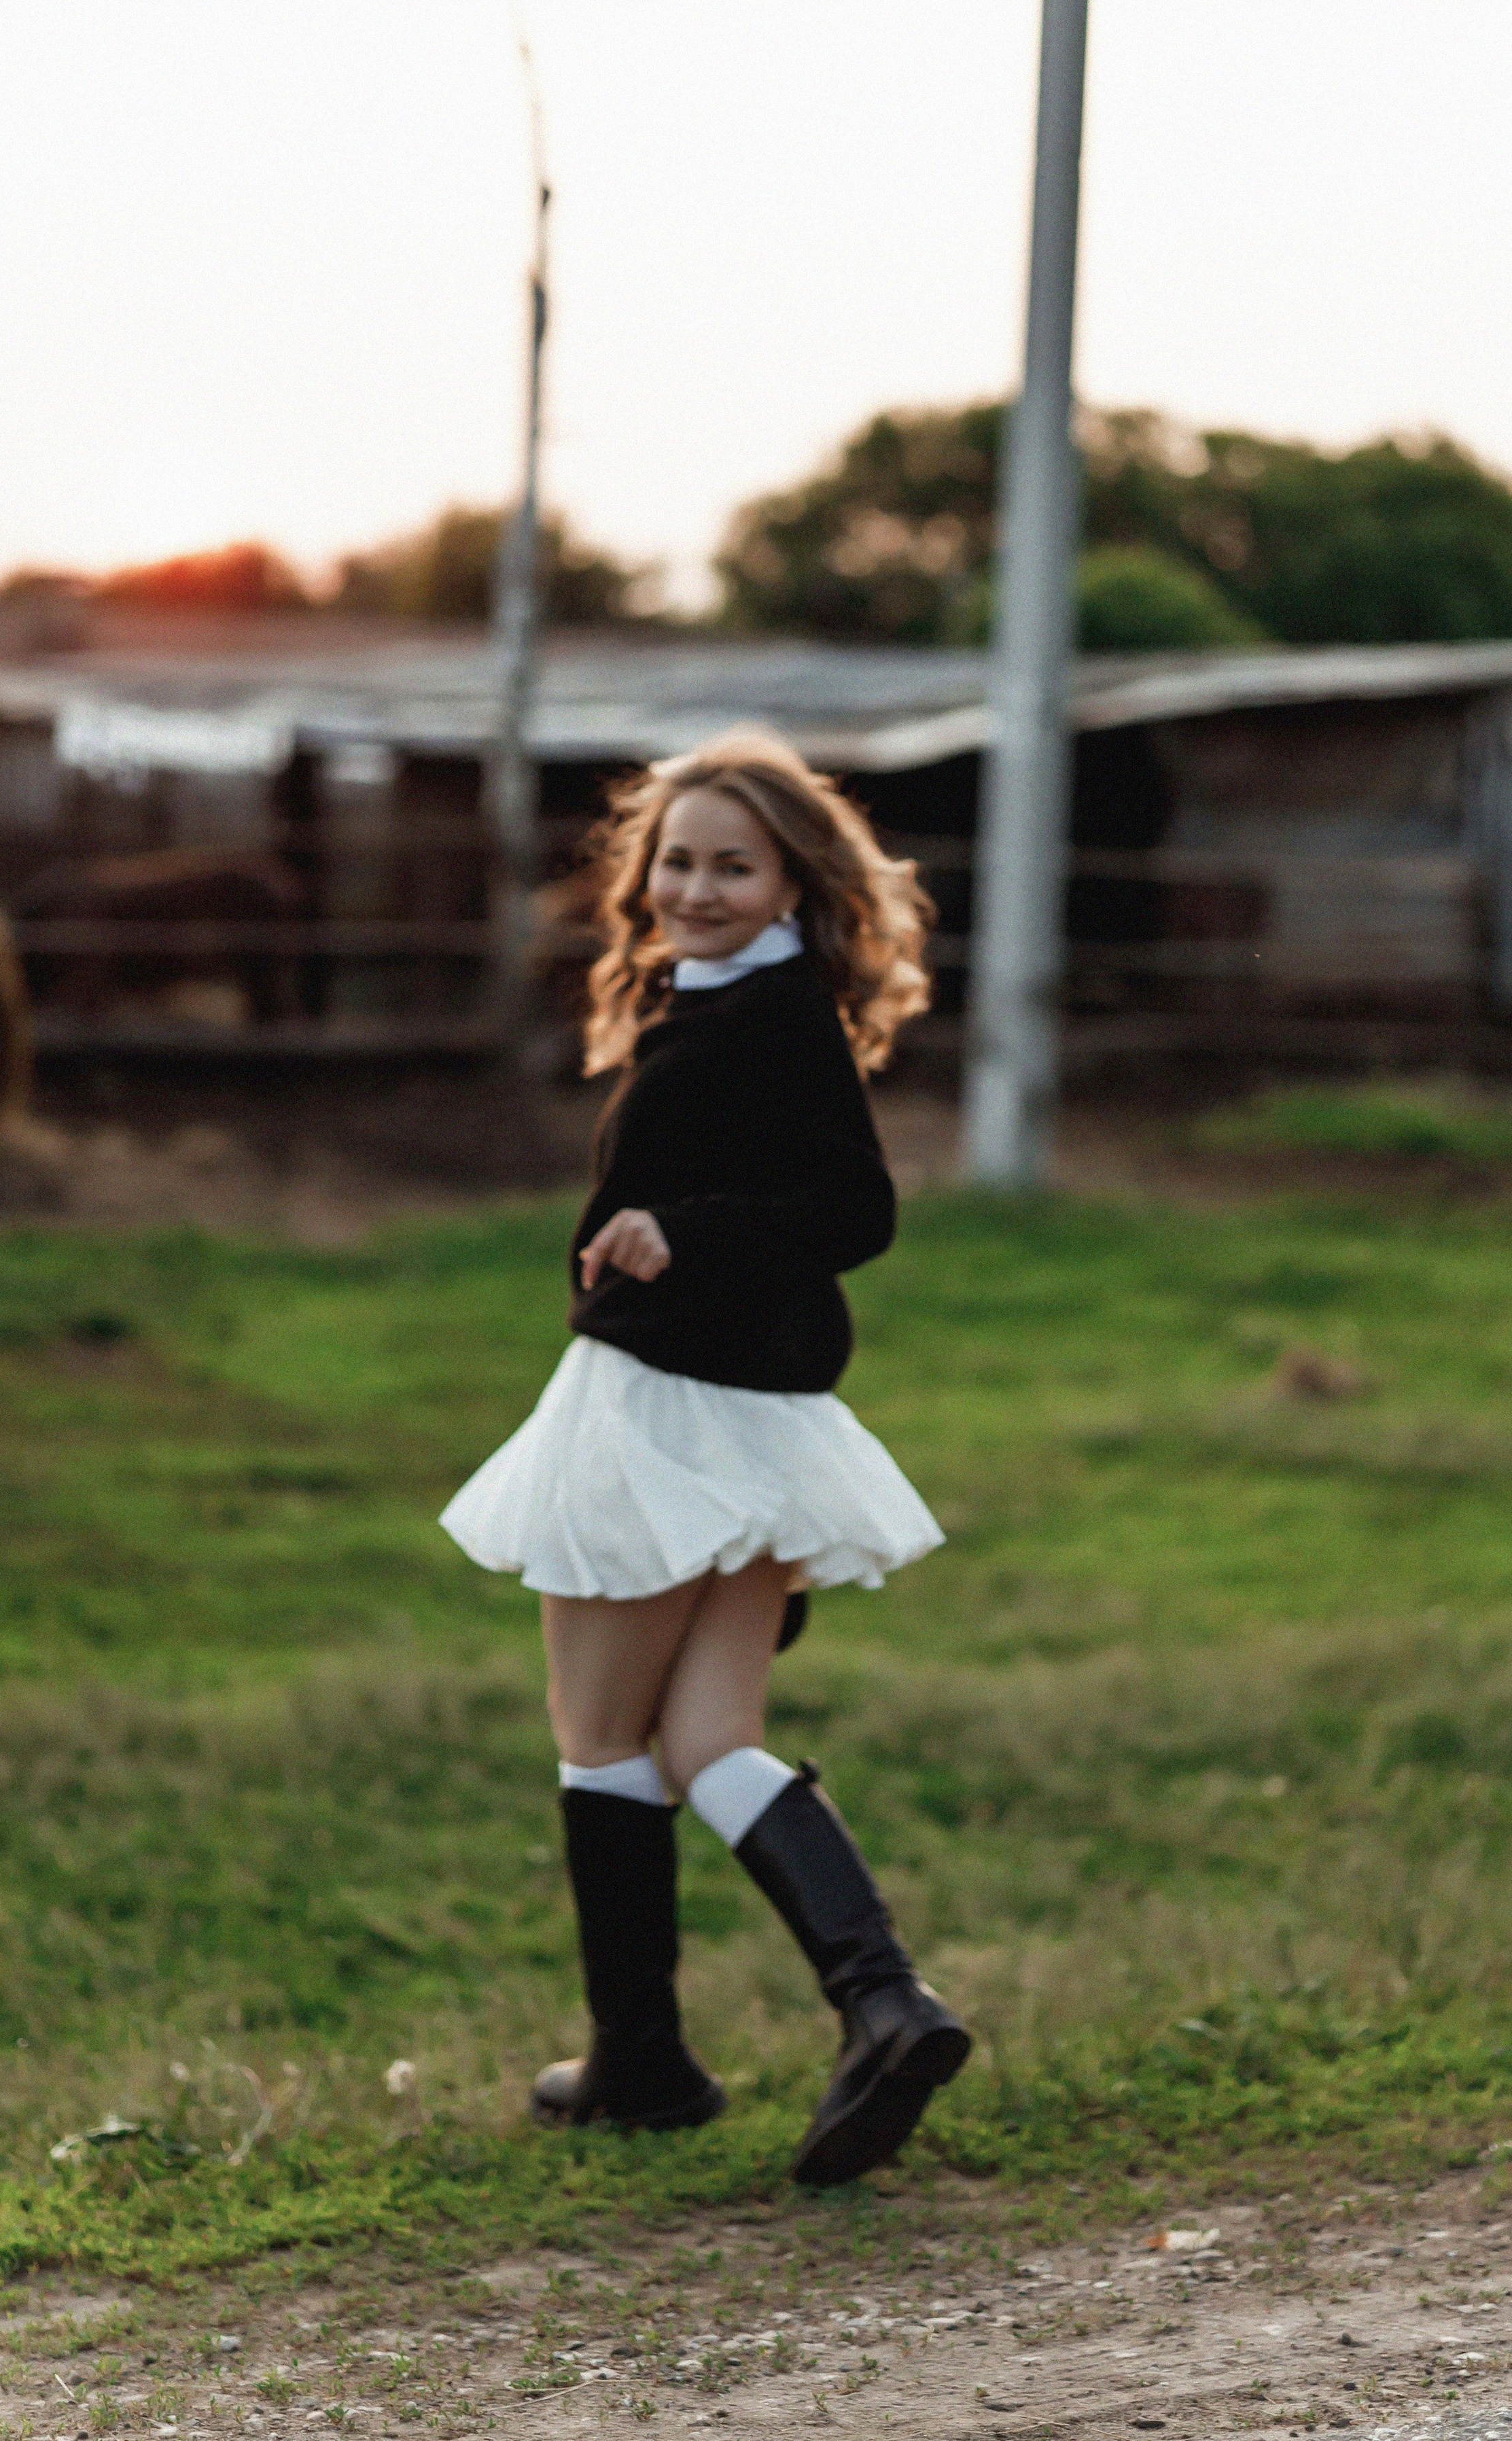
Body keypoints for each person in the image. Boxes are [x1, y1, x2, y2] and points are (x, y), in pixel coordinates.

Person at [439, 726, 970, 2188]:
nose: (695, 886)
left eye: (732, 865)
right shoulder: (731, 1003)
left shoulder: (767, 1016)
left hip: (670, 1407)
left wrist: (689, 1230)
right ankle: (883, 2002)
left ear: (795, 884)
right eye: (676, 860)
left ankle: (641, 2064)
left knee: (602, 1741)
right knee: (705, 1745)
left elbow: (854, 1210)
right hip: (745, 1415)